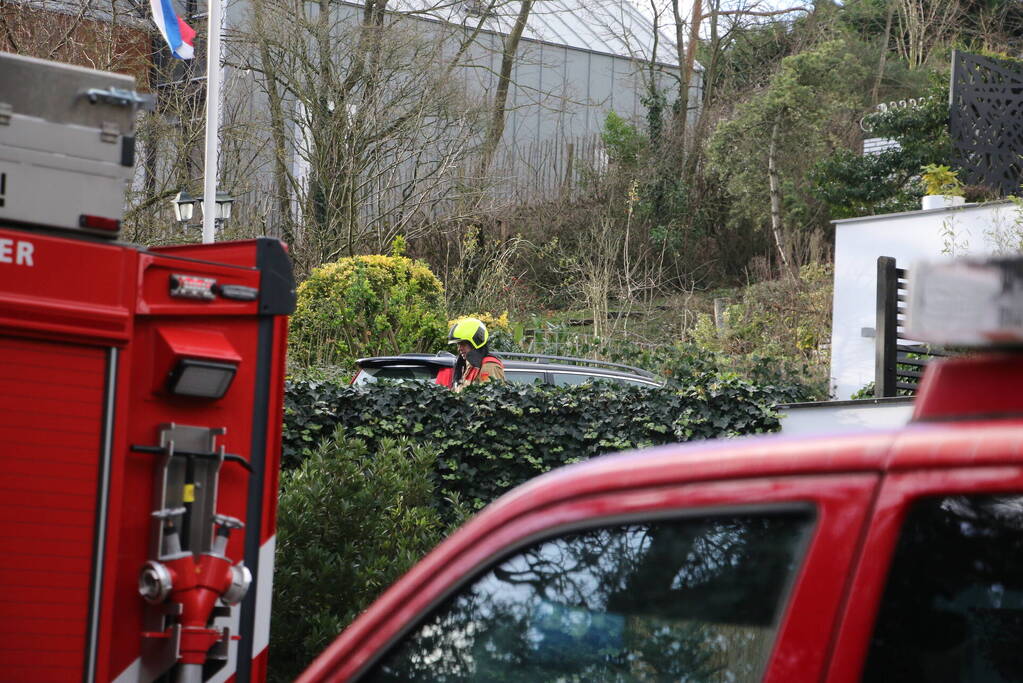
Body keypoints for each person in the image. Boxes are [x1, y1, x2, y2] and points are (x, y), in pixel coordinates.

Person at [446, 317, 505, 389]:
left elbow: (490, 396)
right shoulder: (470, 365)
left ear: (476, 342)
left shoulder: (489, 366)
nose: (459, 349)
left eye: (463, 344)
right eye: (458, 344)